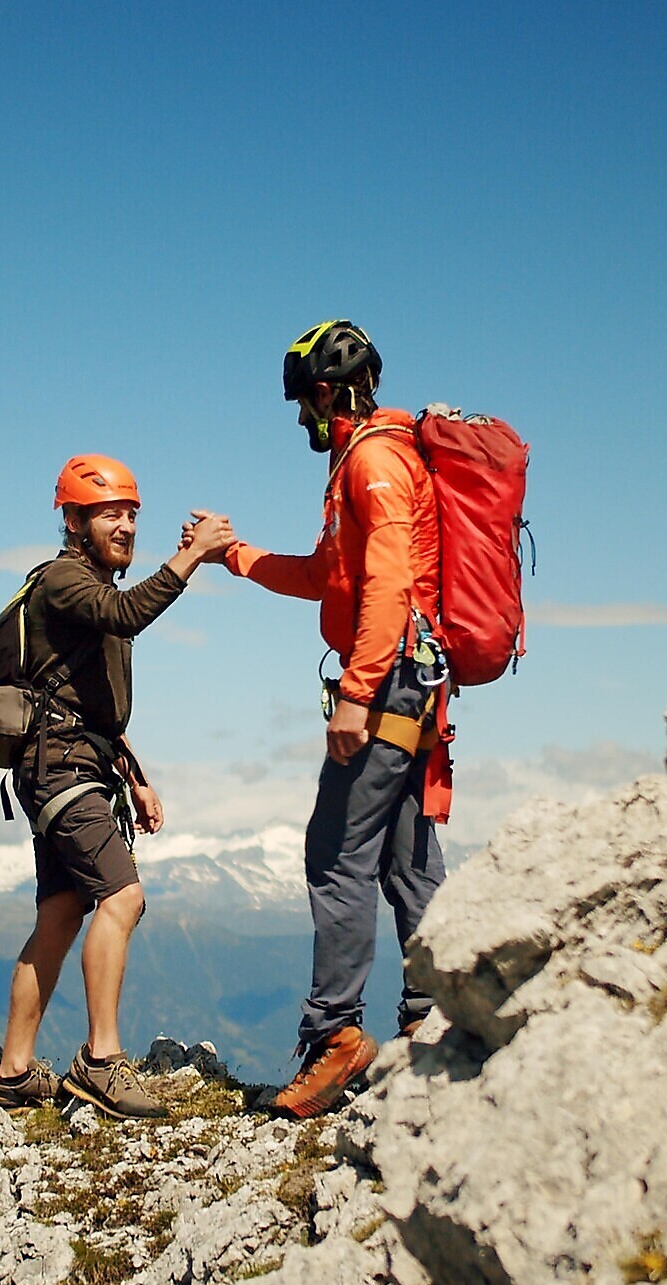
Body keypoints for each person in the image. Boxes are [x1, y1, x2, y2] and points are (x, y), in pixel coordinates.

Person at [194, 320, 446, 1119]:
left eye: (303, 400)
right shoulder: (368, 458)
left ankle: (338, 1037)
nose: (300, 416)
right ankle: (435, 1014)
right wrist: (232, 556)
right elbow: (329, 578)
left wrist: (358, 691)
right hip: (415, 684)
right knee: (407, 858)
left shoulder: (371, 461)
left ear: (327, 391)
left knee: (335, 852)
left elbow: (389, 581)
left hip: (390, 681)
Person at [0, 454, 236, 1120]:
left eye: (131, 513)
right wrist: (191, 561)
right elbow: (126, 614)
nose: (125, 524)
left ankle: (13, 1074)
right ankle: (101, 1060)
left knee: (63, 912)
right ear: (74, 520)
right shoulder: (68, 581)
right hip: (62, 768)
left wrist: (135, 777)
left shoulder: (87, 587)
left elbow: (88, 703)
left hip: (68, 764)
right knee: (123, 898)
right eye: (109, 513)